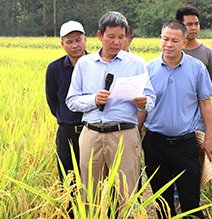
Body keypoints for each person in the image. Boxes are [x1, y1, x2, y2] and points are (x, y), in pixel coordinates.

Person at [66, 11, 155, 200]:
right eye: (111, 37)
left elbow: (151, 100)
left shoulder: (137, 63)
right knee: (90, 195)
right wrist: (94, 100)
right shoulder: (84, 63)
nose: (117, 42)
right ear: (100, 36)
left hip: (124, 135)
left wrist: (144, 102)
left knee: (126, 194)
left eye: (121, 37)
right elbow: (71, 101)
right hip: (91, 134)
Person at [139, 20, 212, 219]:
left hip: (185, 143)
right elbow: (142, 108)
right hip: (155, 143)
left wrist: (209, 138)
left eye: (174, 40)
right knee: (162, 199)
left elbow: (205, 104)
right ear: (160, 39)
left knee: (190, 198)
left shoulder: (197, 68)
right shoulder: (148, 69)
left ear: (184, 42)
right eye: (165, 39)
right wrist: (135, 136)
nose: (169, 44)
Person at [45, 21, 88, 182]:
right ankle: (70, 208)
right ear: (62, 44)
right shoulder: (54, 69)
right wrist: (65, 116)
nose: (74, 45)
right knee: (68, 180)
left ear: (85, 40)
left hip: (93, 130)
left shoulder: (97, 64)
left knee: (94, 179)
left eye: (78, 40)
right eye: (69, 42)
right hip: (67, 133)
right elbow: (53, 101)